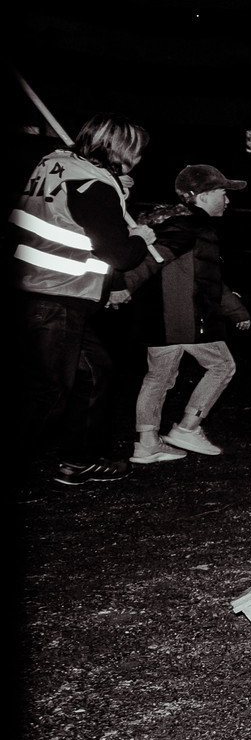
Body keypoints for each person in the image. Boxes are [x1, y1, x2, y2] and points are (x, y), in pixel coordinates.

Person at [12, 113, 157, 485]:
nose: (140, 159)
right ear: (119, 150)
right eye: (136, 152)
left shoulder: (54, 163)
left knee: (95, 372)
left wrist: (115, 189)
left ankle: (82, 459)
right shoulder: (94, 186)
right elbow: (121, 254)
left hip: (37, 291)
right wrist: (143, 235)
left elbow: (73, 215)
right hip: (54, 297)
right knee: (48, 393)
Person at [116, 164, 251, 463]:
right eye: (222, 193)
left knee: (158, 377)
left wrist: (234, 309)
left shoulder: (177, 223)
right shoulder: (191, 227)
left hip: (158, 320)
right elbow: (154, 259)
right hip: (186, 318)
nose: (227, 200)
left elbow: (205, 275)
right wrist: (123, 286)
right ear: (201, 196)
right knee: (222, 366)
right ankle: (189, 427)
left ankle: (148, 442)